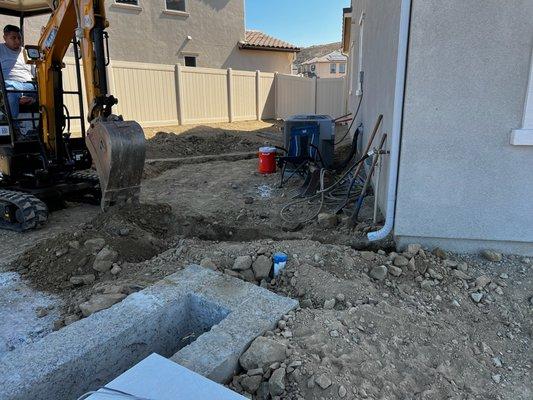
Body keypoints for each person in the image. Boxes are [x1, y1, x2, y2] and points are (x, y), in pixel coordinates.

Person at [0, 24, 36, 125]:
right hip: (8, 86)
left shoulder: (26, 52)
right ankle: (14, 129)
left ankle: (23, 96)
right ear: (5, 38)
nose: (18, 41)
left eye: (19, 38)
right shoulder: (0, 50)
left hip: (28, 86)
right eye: (13, 38)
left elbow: (35, 73)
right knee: (10, 92)